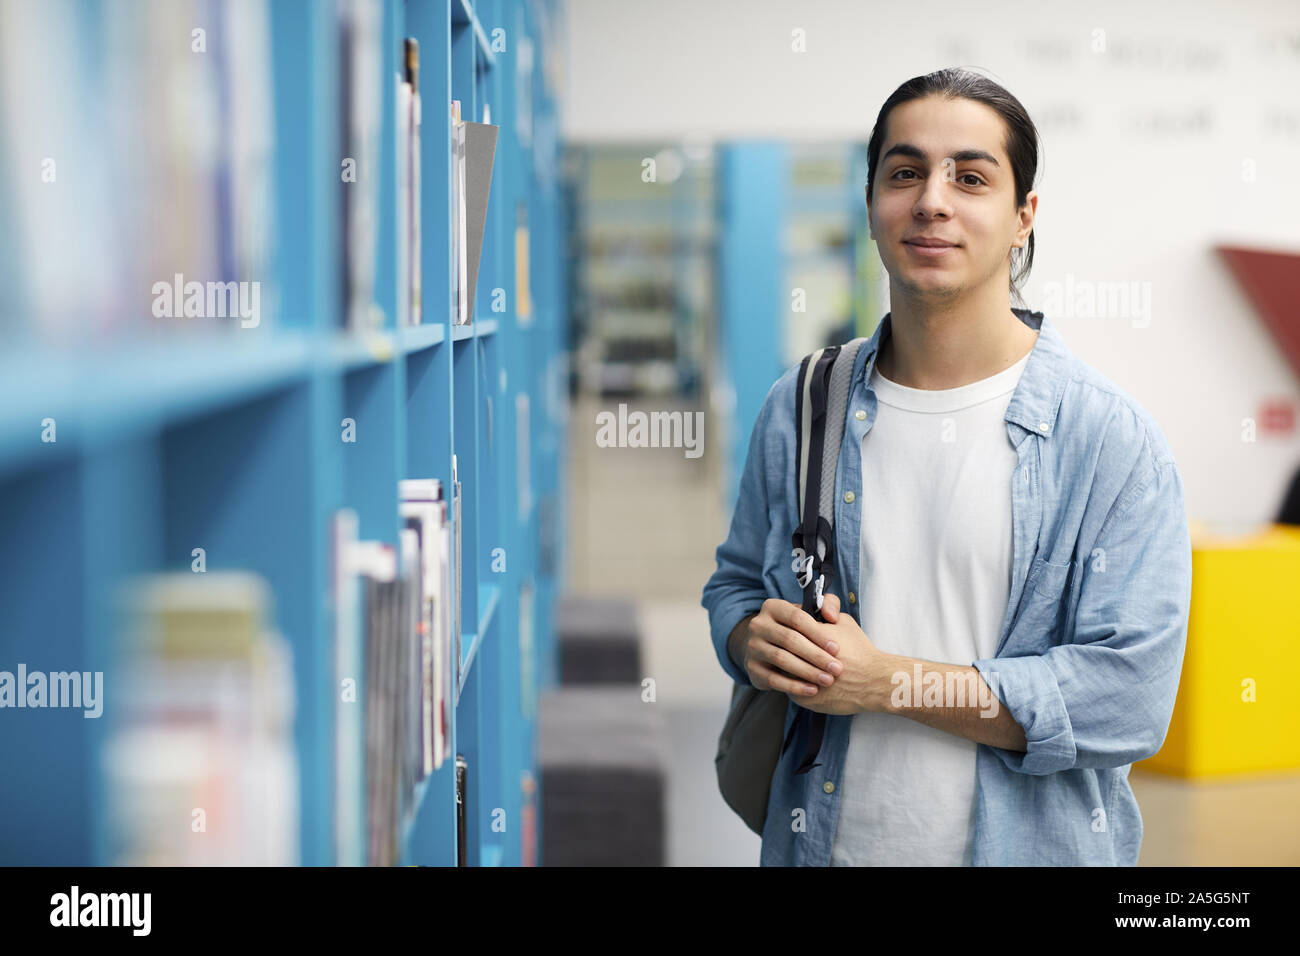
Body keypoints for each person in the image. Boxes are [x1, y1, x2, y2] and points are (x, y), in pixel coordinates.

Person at [701, 68, 1193, 866]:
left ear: (1022, 216)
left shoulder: (1110, 441)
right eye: (904, 173)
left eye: (970, 177)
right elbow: (733, 585)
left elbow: (1127, 700)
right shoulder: (803, 404)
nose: (932, 199)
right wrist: (749, 636)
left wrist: (888, 681)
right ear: (871, 207)